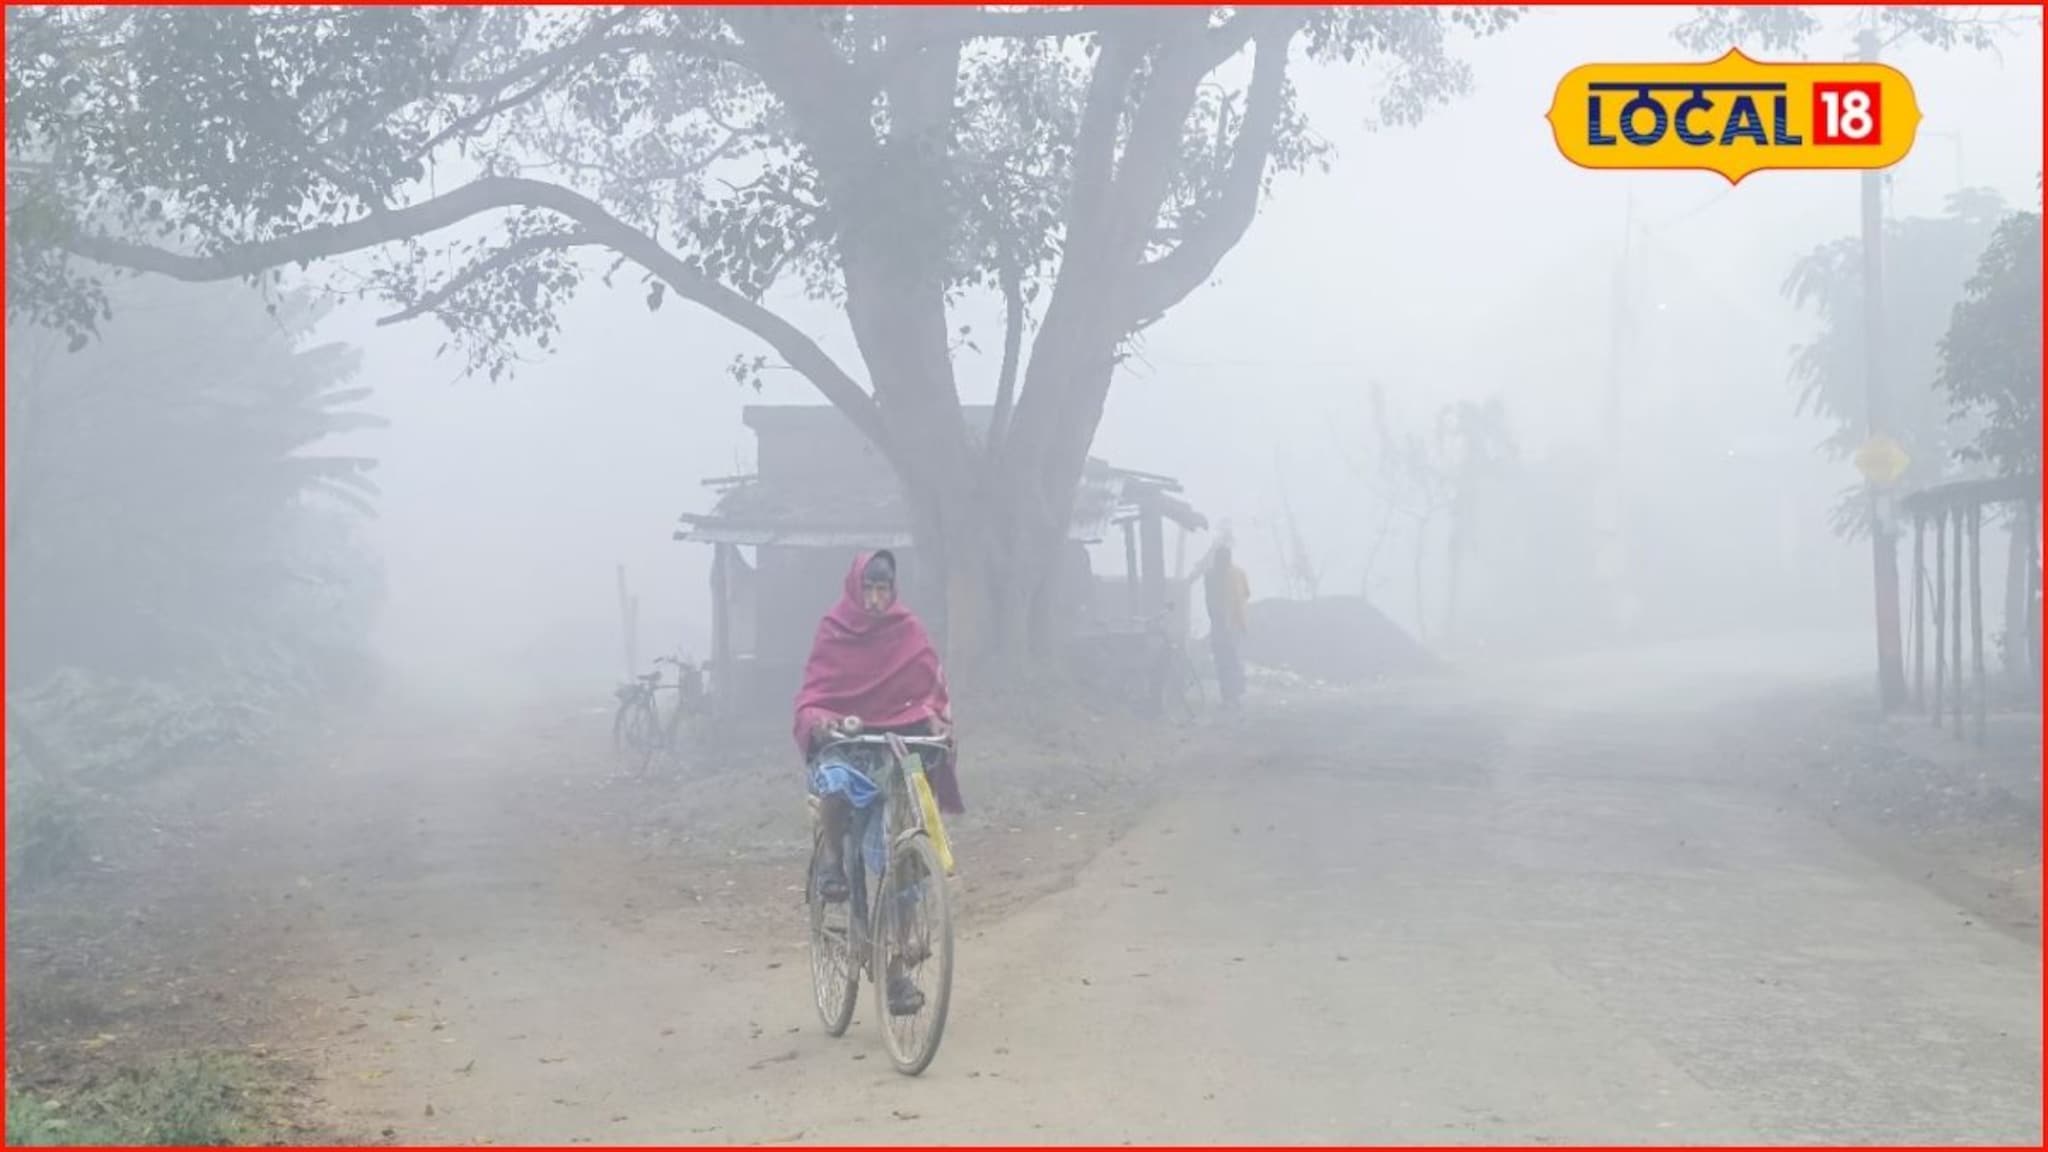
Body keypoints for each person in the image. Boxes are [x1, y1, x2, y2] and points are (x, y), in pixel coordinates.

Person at [793, 550, 964, 903]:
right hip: (848, 745)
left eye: (882, 589)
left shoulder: (908, 630)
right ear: (855, 587)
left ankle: (903, 934)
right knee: (836, 782)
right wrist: (822, 722)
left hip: (898, 749)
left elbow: (930, 689)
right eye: (868, 588)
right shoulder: (834, 629)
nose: (875, 599)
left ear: (893, 589)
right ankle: (833, 862)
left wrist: (936, 720)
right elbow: (813, 696)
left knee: (905, 833)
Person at [1203, 544, 1250, 708]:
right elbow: (1246, 594)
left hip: (1228, 625)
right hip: (1224, 624)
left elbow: (1244, 594)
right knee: (1226, 660)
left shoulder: (1218, 574)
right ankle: (1230, 695)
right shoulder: (1231, 574)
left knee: (1228, 660)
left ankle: (1233, 695)